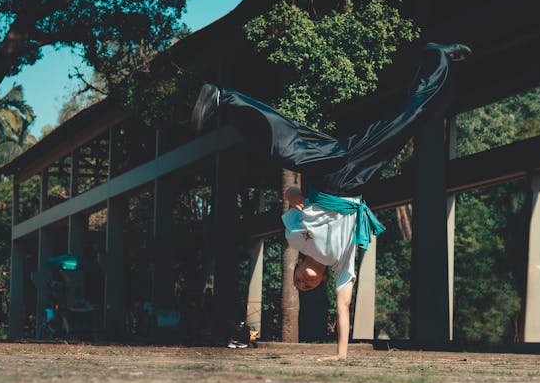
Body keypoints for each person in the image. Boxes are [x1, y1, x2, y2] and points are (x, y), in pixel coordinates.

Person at [192, 42, 470, 360]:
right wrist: (341, 355)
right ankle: (438, 57)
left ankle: (222, 98)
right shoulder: (341, 266)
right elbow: (344, 307)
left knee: (287, 145)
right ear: (322, 279)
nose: (302, 280)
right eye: (306, 286)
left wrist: (296, 196)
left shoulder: (295, 237)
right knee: (407, 119)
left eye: (298, 280)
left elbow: (292, 195)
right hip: (353, 173)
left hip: (328, 175)